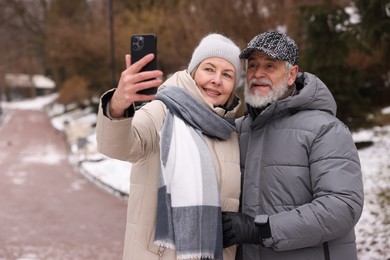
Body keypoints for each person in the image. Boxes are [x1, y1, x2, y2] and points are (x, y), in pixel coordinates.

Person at [96, 33, 243, 260]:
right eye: (209, 69)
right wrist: (118, 103)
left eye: (227, 74)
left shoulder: (231, 134)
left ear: (234, 85)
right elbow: (118, 146)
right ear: (194, 72)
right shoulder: (163, 111)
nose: (216, 80)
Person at [221, 31, 364, 260]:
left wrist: (261, 229)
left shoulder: (325, 129)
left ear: (291, 74)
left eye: (270, 66)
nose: (258, 74)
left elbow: (342, 206)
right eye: (253, 65)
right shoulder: (237, 131)